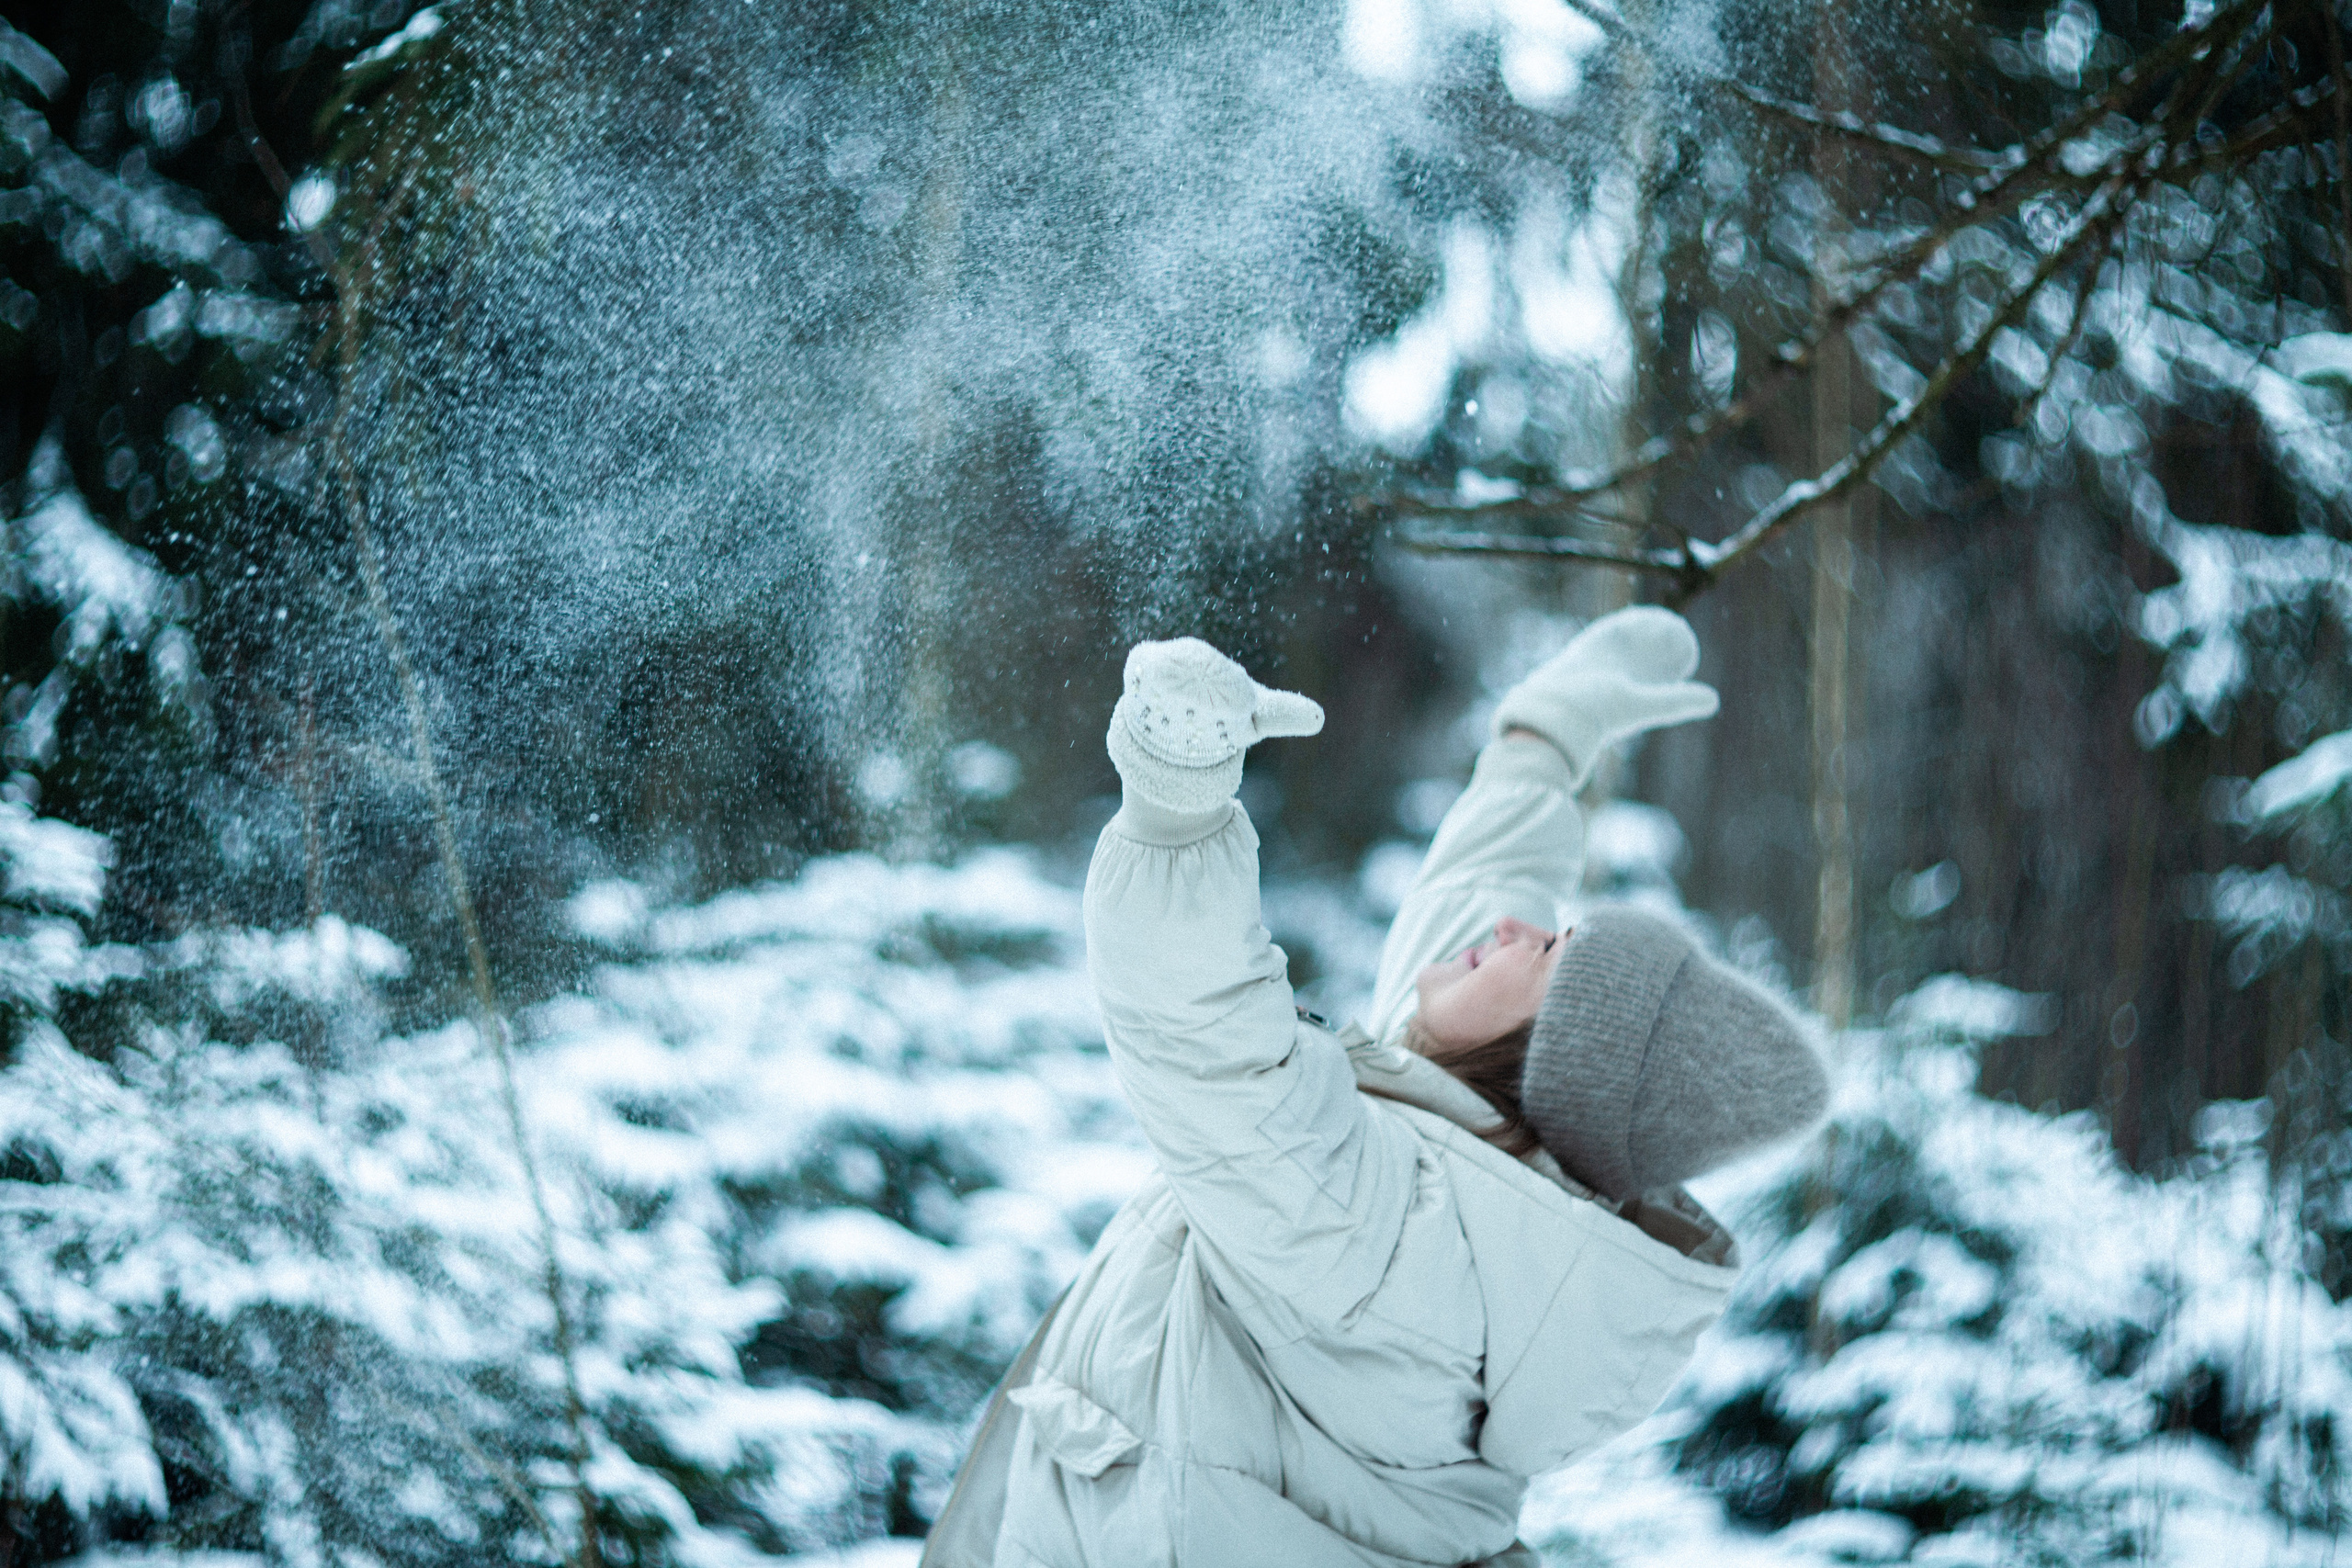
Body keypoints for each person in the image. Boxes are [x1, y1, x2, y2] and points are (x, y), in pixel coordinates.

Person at [922, 607, 1829, 1568]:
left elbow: (1206, 1035)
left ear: (1539, 1061)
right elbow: (1482, 890)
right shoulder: (1493, 1168)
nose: (1517, 929)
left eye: (1548, 949)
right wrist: (1544, 739)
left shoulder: (1379, 1233)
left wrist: (1176, 805)